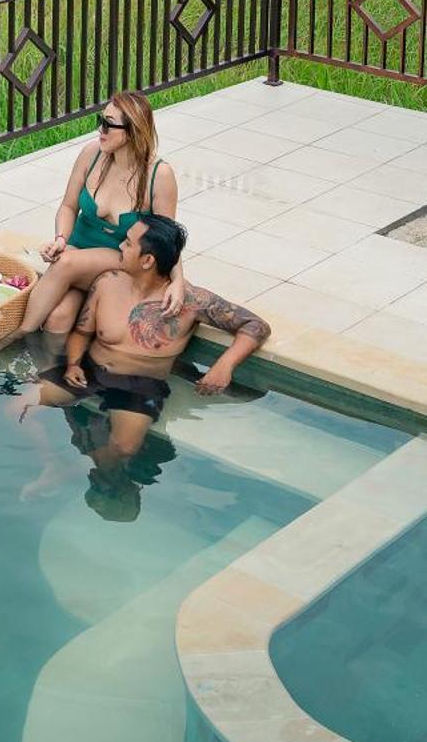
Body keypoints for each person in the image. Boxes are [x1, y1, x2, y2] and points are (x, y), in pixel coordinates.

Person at [27, 212, 271, 476]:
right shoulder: (107, 282)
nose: (120, 246)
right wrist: (73, 364)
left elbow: (255, 326)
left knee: (123, 447)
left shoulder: (190, 301)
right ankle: (50, 464)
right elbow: (82, 333)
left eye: (128, 243)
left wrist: (224, 365)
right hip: (89, 371)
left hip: (139, 385)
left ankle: (75, 471)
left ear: (147, 260)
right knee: (19, 408)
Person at [22, 90, 183, 335]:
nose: (100, 130)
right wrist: (61, 239)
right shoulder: (92, 154)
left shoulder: (159, 176)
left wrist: (178, 281)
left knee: (65, 262)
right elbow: (68, 206)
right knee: (58, 318)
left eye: (108, 124)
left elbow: (167, 240)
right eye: (100, 121)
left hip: (120, 260)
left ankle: (17, 335)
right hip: (78, 253)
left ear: (132, 130)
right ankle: (42, 361)